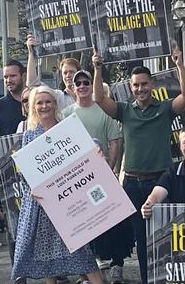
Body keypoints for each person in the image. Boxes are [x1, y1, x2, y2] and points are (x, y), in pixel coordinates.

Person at [92, 46, 185, 283]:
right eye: (135, 85)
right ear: (130, 87)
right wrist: (97, 69)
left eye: (144, 84)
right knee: (141, 236)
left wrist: (180, 64)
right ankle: (149, 279)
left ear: (152, 85)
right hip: (133, 184)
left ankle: (168, 277)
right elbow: (98, 98)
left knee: (167, 233)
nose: (140, 89)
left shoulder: (165, 108)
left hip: (162, 181)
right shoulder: (125, 111)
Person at [10, 86, 104, 283]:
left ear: (55, 104)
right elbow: (27, 171)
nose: (44, 106)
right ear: (33, 107)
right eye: (39, 102)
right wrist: (33, 189)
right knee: (47, 258)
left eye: (48, 101)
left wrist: (96, 148)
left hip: (70, 200)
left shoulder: (67, 128)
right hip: (42, 204)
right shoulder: (29, 135)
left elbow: (87, 148)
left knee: (83, 253)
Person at [62, 70, 129, 283]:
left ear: (92, 86)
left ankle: (117, 263)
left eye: (86, 82)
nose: (82, 86)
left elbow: (116, 140)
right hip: (78, 179)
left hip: (103, 178)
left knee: (114, 222)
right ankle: (90, 270)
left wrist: (110, 168)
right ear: (72, 87)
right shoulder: (65, 114)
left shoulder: (103, 112)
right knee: (85, 226)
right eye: (77, 83)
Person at [26, 34, 77, 110]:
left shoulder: (90, 94)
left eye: (71, 72)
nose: (68, 75)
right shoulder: (58, 96)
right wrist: (31, 53)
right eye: (65, 73)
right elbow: (32, 83)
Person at [0, 60, 28, 145]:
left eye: (13, 76)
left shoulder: (37, 102)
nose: (8, 80)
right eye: (5, 77)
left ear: (23, 76)